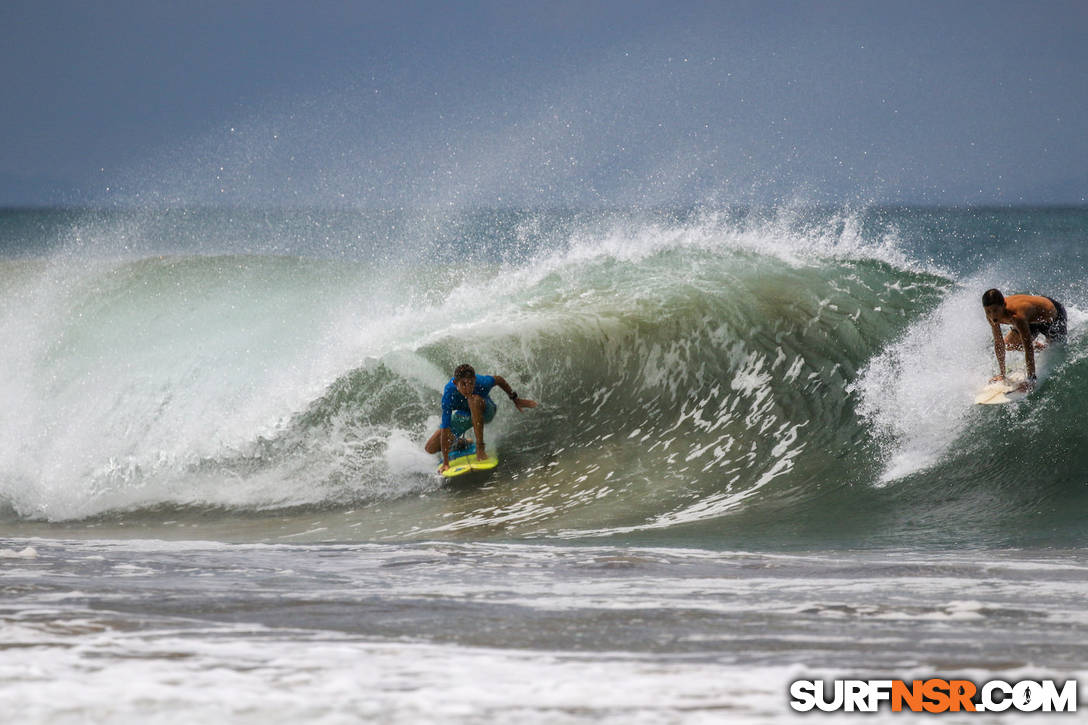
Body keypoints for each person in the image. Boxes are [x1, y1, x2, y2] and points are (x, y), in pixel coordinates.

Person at [424, 364, 537, 472]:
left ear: (475, 380)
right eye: (463, 384)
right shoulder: (449, 393)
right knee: (430, 447)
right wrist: (446, 462)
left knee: (473, 400)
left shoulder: (482, 381)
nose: (468, 388)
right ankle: (461, 443)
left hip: (486, 410)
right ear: (455, 383)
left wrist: (515, 399)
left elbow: (498, 379)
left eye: (471, 383)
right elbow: (445, 428)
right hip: (465, 415)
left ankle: (480, 448)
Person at [982, 288, 1067, 391]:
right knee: (1008, 345)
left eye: (995, 310)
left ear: (1003, 306)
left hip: (1052, 316)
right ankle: (1041, 347)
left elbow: (1028, 347)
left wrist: (1030, 380)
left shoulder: (1017, 316)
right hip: (1031, 318)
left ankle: (1045, 348)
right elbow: (999, 343)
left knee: (1055, 348)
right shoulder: (990, 317)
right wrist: (1002, 374)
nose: (993, 315)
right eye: (988, 311)